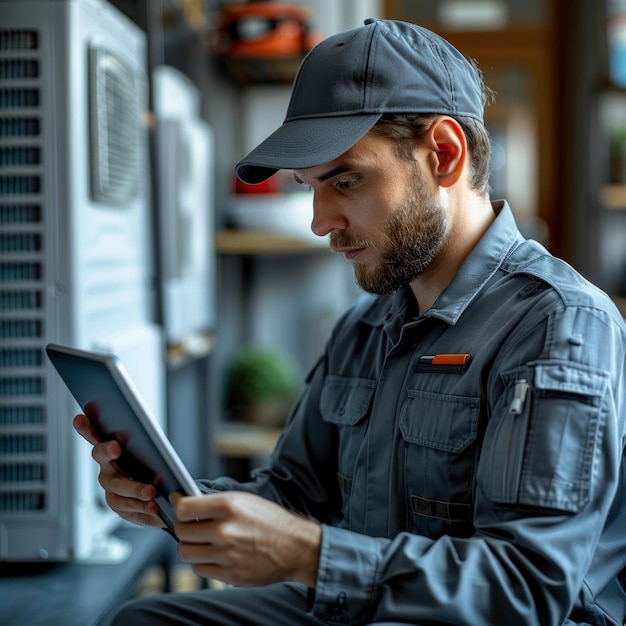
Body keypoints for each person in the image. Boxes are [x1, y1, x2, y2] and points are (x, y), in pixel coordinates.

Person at [73, 18, 626, 626]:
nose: (319, 221)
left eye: (345, 181)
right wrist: (171, 500)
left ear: (443, 154)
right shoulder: (365, 328)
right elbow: (293, 495)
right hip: (369, 607)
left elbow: (527, 590)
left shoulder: (558, 324)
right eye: (310, 187)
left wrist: (308, 555)